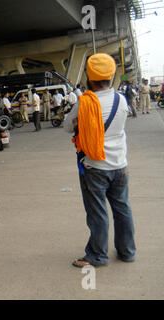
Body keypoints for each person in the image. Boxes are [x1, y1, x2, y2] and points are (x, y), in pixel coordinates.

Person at [64, 53, 136, 268]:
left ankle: (97, 255)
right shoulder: (121, 99)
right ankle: (127, 251)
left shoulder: (84, 103)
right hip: (120, 165)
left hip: (95, 167)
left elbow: (67, 127)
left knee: (98, 213)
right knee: (122, 208)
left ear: (89, 76)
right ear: (111, 76)